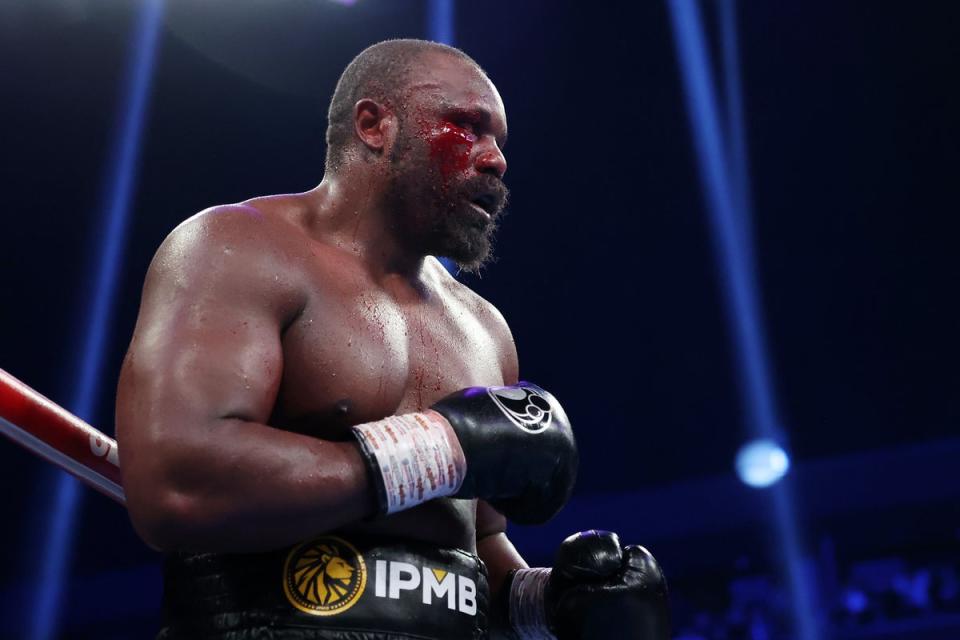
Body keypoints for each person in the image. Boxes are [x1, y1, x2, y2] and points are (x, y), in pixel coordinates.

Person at [116, 39, 669, 639]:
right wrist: (435, 450)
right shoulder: (239, 248)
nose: (496, 160)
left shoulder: (483, 328)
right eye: (467, 126)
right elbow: (177, 486)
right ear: (375, 126)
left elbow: (471, 553)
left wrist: (552, 605)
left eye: (499, 142)